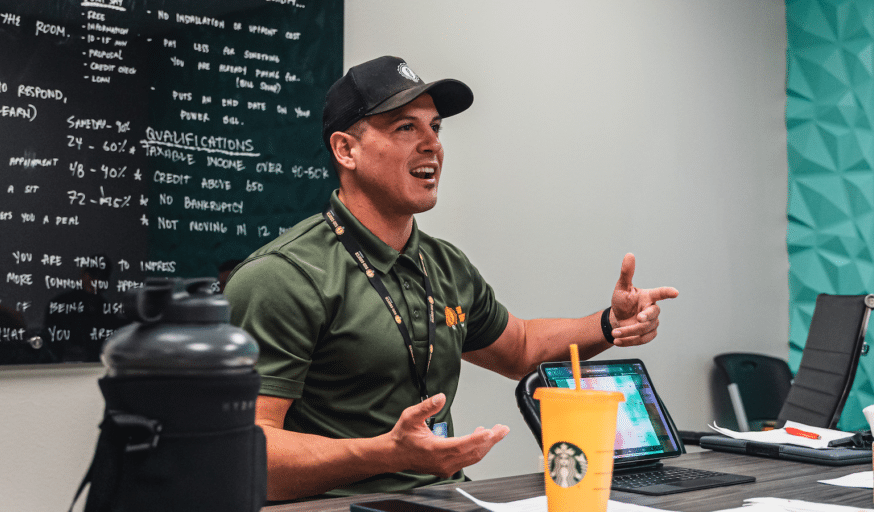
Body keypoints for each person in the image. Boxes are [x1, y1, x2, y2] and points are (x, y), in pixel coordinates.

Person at [223, 55, 679, 501]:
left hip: (448, 498)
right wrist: (386, 454)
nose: (432, 145)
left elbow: (520, 348)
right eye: (406, 127)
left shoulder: (443, 264)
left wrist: (609, 323)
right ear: (346, 150)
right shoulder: (282, 277)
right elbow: (246, 455)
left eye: (435, 128)